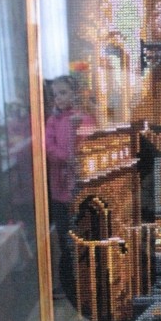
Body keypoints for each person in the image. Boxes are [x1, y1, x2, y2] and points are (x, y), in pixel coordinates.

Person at [45, 75, 93, 305]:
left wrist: (80, 156)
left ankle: (87, 282)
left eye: (63, 93)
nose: (59, 98)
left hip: (80, 188)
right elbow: (49, 147)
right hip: (60, 189)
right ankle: (69, 283)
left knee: (82, 236)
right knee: (65, 238)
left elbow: (91, 143)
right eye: (56, 94)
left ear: (74, 93)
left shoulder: (85, 118)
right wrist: (65, 157)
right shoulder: (53, 121)